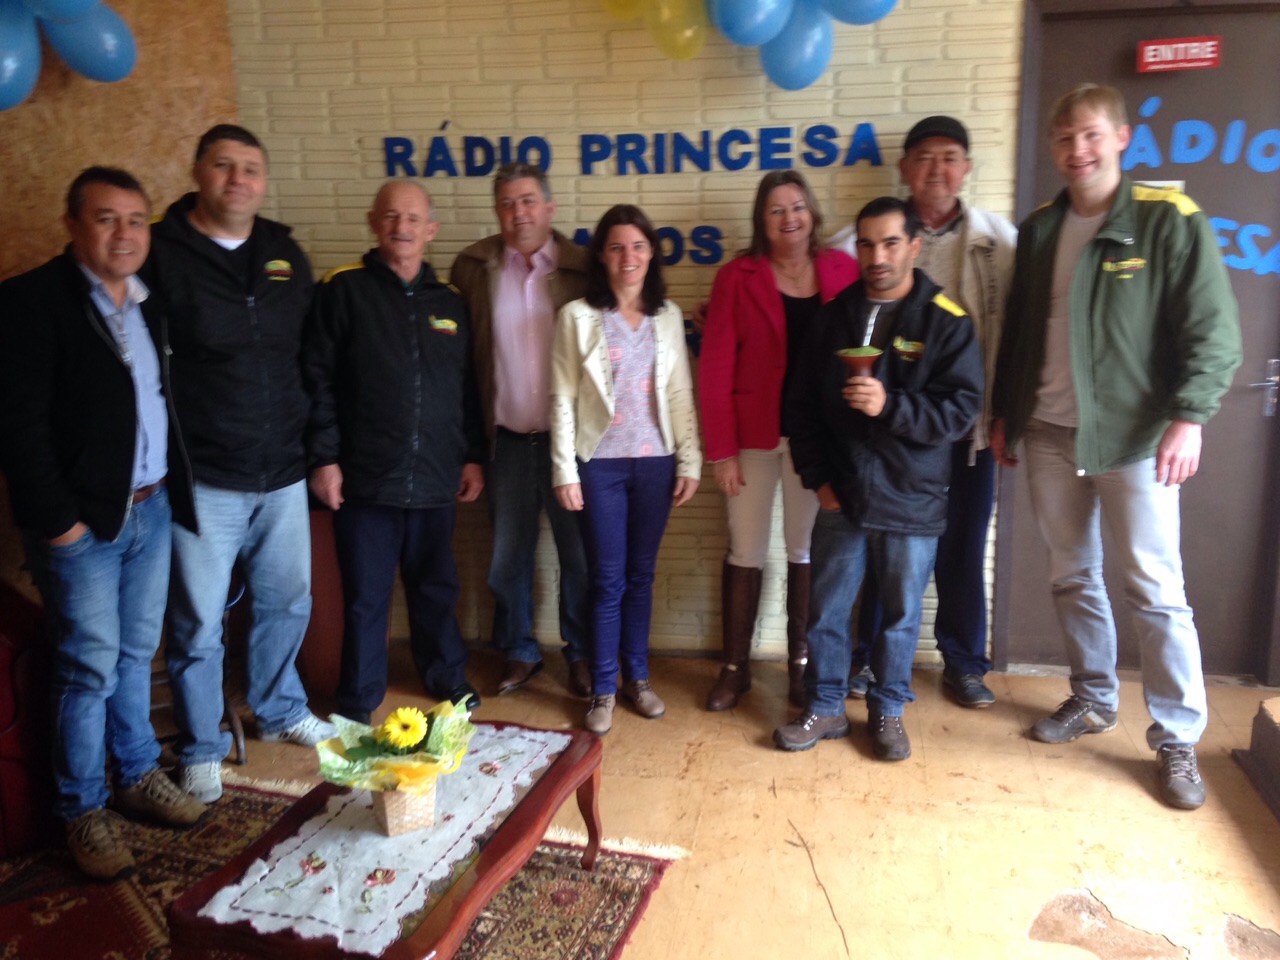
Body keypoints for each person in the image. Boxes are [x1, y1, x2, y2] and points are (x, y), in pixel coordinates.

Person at [990, 84, 1241, 810]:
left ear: (1121, 137)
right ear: (1053, 146)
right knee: (1072, 575)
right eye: (1066, 138)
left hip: (1137, 440)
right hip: (1047, 432)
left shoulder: (1167, 219)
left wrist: (1190, 417)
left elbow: (1213, 329)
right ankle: (1094, 698)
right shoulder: (1041, 229)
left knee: (1155, 590)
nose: (1079, 150)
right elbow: (1020, 333)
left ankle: (1177, 736)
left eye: (1092, 135)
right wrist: (1007, 412)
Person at [0, 167, 207, 880]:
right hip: (83, 526)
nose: (124, 234)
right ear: (73, 226)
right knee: (87, 666)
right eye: (106, 218)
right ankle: (82, 809)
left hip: (150, 507)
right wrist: (58, 523)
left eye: (136, 220)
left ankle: (137, 772)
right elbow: (18, 426)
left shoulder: (150, 302)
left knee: (133, 654)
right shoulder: (30, 302)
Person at [147, 124, 335, 804]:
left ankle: (280, 709)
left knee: (287, 602)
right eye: (223, 166)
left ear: (263, 180)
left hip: (282, 471)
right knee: (197, 624)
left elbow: (312, 362)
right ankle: (201, 748)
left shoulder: (284, 255)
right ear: (198, 172)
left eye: (250, 168)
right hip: (204, 477)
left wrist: (321, 452)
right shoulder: (160, 254)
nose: (238, 179)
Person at [778, 197, 982, 760]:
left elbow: (959, 412)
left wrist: (890, 405)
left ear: (914, 246)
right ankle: (824, 706)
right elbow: (800, 407)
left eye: (890, 243)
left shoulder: (946, 320)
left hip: (913, 498)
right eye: (866, 244)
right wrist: (819, 480)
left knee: (900, 617)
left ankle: (888, 711)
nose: (877, 256)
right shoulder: (832, 317)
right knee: (826, 612)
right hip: (840, 495)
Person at [831, 117, 1016, 708]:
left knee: (962, 549)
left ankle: (963, 662)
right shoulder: (859, 241)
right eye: (925, 157)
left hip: (965, 427)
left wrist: (1005, 414)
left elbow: (1020, 330)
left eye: (950, 157)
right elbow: (810, 293)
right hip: (887, 434)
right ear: (905, 168)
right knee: (882, 549)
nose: (938, 169)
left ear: (966, 168)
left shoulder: (998, 242)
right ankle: (867, 661)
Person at [304, 181, 484, 722]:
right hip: (365, 478)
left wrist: (472, 455)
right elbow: (317, 381)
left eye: (412, 218)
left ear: (431, 229)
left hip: (435, 476)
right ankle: (359, 697)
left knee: (436, 588)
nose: (401, 227)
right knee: (366, 596)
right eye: (390, 216)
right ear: (372, 222)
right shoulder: (342, 289)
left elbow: (466, 388)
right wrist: (324, 459)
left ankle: (446, 676)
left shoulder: (449, 301)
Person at [698, 171, 859, 712]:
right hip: (752, 438)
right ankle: (735, 668)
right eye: (776, 210)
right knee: (745, 549)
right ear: (761, 221)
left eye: (797, 207)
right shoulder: (736, 276)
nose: (789, 218)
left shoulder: (843, 269)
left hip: (818, 439)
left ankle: (801, 666)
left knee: (805, 549)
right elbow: (715, 366)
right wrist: (721, 451)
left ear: (812, 213)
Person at [550, 205, 702, 736]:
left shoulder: (667, 316)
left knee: (641, 576)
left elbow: (680, 391)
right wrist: (564, 470)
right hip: (600, 465)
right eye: (616, 247)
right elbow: (562, 397)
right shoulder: (576, 317)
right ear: (601, 256)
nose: (628, 256)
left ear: (651, 254)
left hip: (656, 462)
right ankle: (604, 688)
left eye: (637, 246)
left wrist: (690, 459)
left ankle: (638, 678)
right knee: (607, 579)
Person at [451, 164, 593, 699]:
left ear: (550, 207)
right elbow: (462, 362)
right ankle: (518, 650)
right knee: (507, 557)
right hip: (505, 441)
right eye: (508, 203)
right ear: (497, 211)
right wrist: (469, 447)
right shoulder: (474, 268)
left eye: (529, 201)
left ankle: (581, 653)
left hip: (570, 446)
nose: (519, 213)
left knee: (579, 555)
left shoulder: (583, 269)